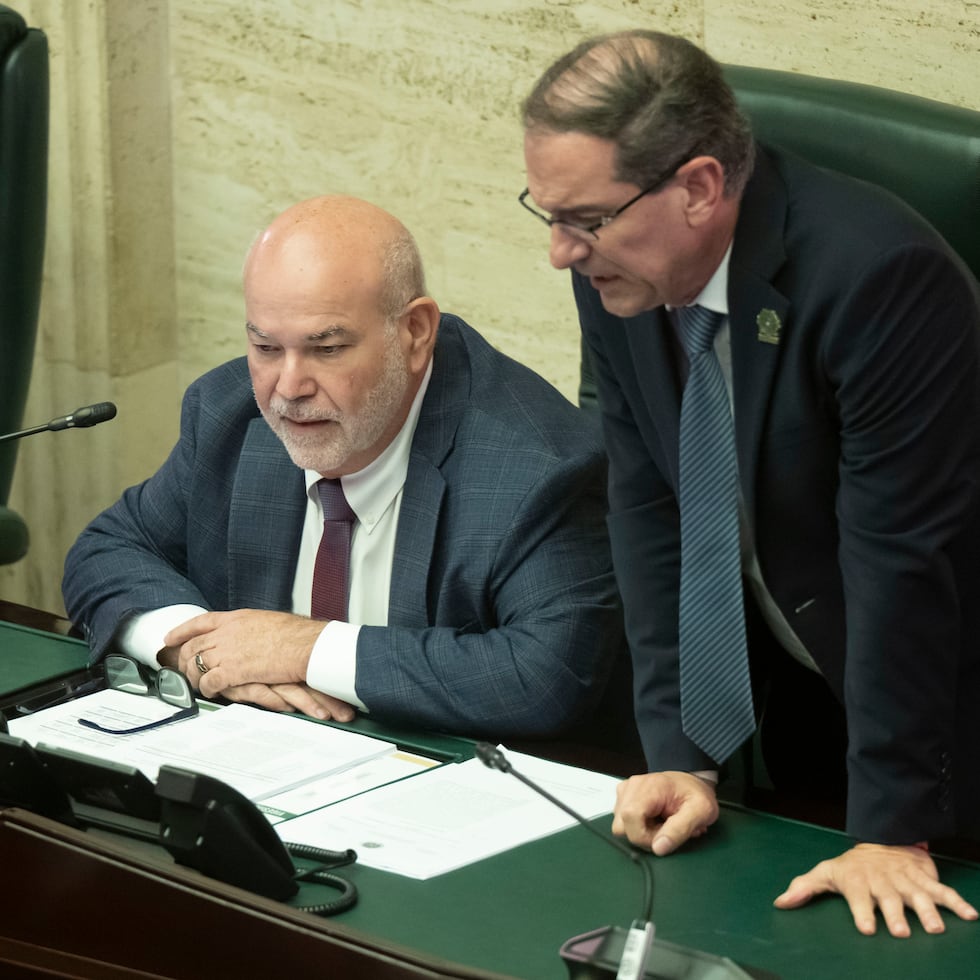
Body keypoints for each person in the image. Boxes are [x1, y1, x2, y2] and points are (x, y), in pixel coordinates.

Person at [520, 30, 980, 938]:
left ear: (697, 187)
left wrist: (892, 825)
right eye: (549, 215)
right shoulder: (621, 272)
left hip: (942, 722)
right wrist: (679, 755)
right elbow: (652, 503)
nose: (561, 253)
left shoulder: (881, 278)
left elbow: (901, 563)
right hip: (809, 692)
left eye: (586, 219)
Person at [62, 194, 622, 742]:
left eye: (326, 349)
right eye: (265, 347)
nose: (289, 388)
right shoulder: (228, 415)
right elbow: (107, 549)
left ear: (415, 334)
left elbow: (547, 674)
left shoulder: (532, 467)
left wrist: (305, 649)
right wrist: (193, 645)